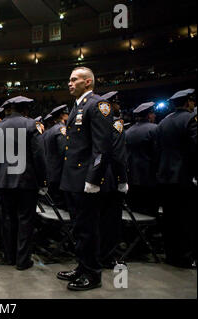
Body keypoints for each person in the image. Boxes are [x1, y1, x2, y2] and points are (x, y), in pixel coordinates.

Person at [0, 96, 48, 271]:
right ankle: (22, 260)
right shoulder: (31, 125)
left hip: (3, 182)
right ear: (25, 109)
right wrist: (44, 181)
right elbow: (39, 156)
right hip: (26, 182)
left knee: (7, 220)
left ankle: (9, 256)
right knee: (25, 221)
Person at [57, 67, 114, 291]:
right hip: (73, 178)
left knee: (89, 229)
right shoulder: (79, 106)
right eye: (69, 80)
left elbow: (102, 147)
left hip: (86, 179)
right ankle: (82, 266)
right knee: (79, 228)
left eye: (74, 80)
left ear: (88, 82)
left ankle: (93, 274)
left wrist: (94, 178)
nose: (69, 83)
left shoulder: (98, 105)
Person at [156, 88, 196, 268]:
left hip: (165, 176)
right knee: (186, 218)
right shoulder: (190, 119)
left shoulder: (163, 122)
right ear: (188, 102)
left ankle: (170, 254)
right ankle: (186, 257)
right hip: (183, 176)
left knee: (169, 218)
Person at [98, 91, 128, 268]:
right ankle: (108, 257)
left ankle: (98, 253)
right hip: (110, 179)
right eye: (116, 103)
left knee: (97, 220)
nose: (119, 107)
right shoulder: (116, 125)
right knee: (110, 221)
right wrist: (122, 179)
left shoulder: (96, 124)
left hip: (94, 177)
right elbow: (118, 155)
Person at [125, 102, 159, 217]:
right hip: (150, 177)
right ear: (149, 115)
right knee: (151, 212)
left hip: (132, 178)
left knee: (136, 212)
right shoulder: (154, 129)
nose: (154, 116)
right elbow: (158, 153)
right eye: (153, 113)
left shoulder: (127, 132)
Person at [42, 104, 69, 209]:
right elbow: (64, 151)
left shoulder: (49, 131)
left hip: (51, 171)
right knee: (62, 205)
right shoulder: (61, 129)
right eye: (66, 113)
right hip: (60, 172)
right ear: (62, 115)